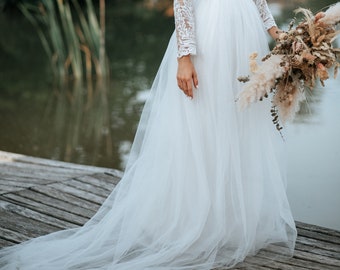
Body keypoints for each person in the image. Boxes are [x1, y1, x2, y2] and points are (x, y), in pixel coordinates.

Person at [0, 0, 297, 269]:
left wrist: (276, 32)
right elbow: (182, 2)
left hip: (245, 40)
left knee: (239, 128)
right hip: (212, 38)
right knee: (204, 126)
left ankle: (231, 220)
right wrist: (184, 56)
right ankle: (196, 221)